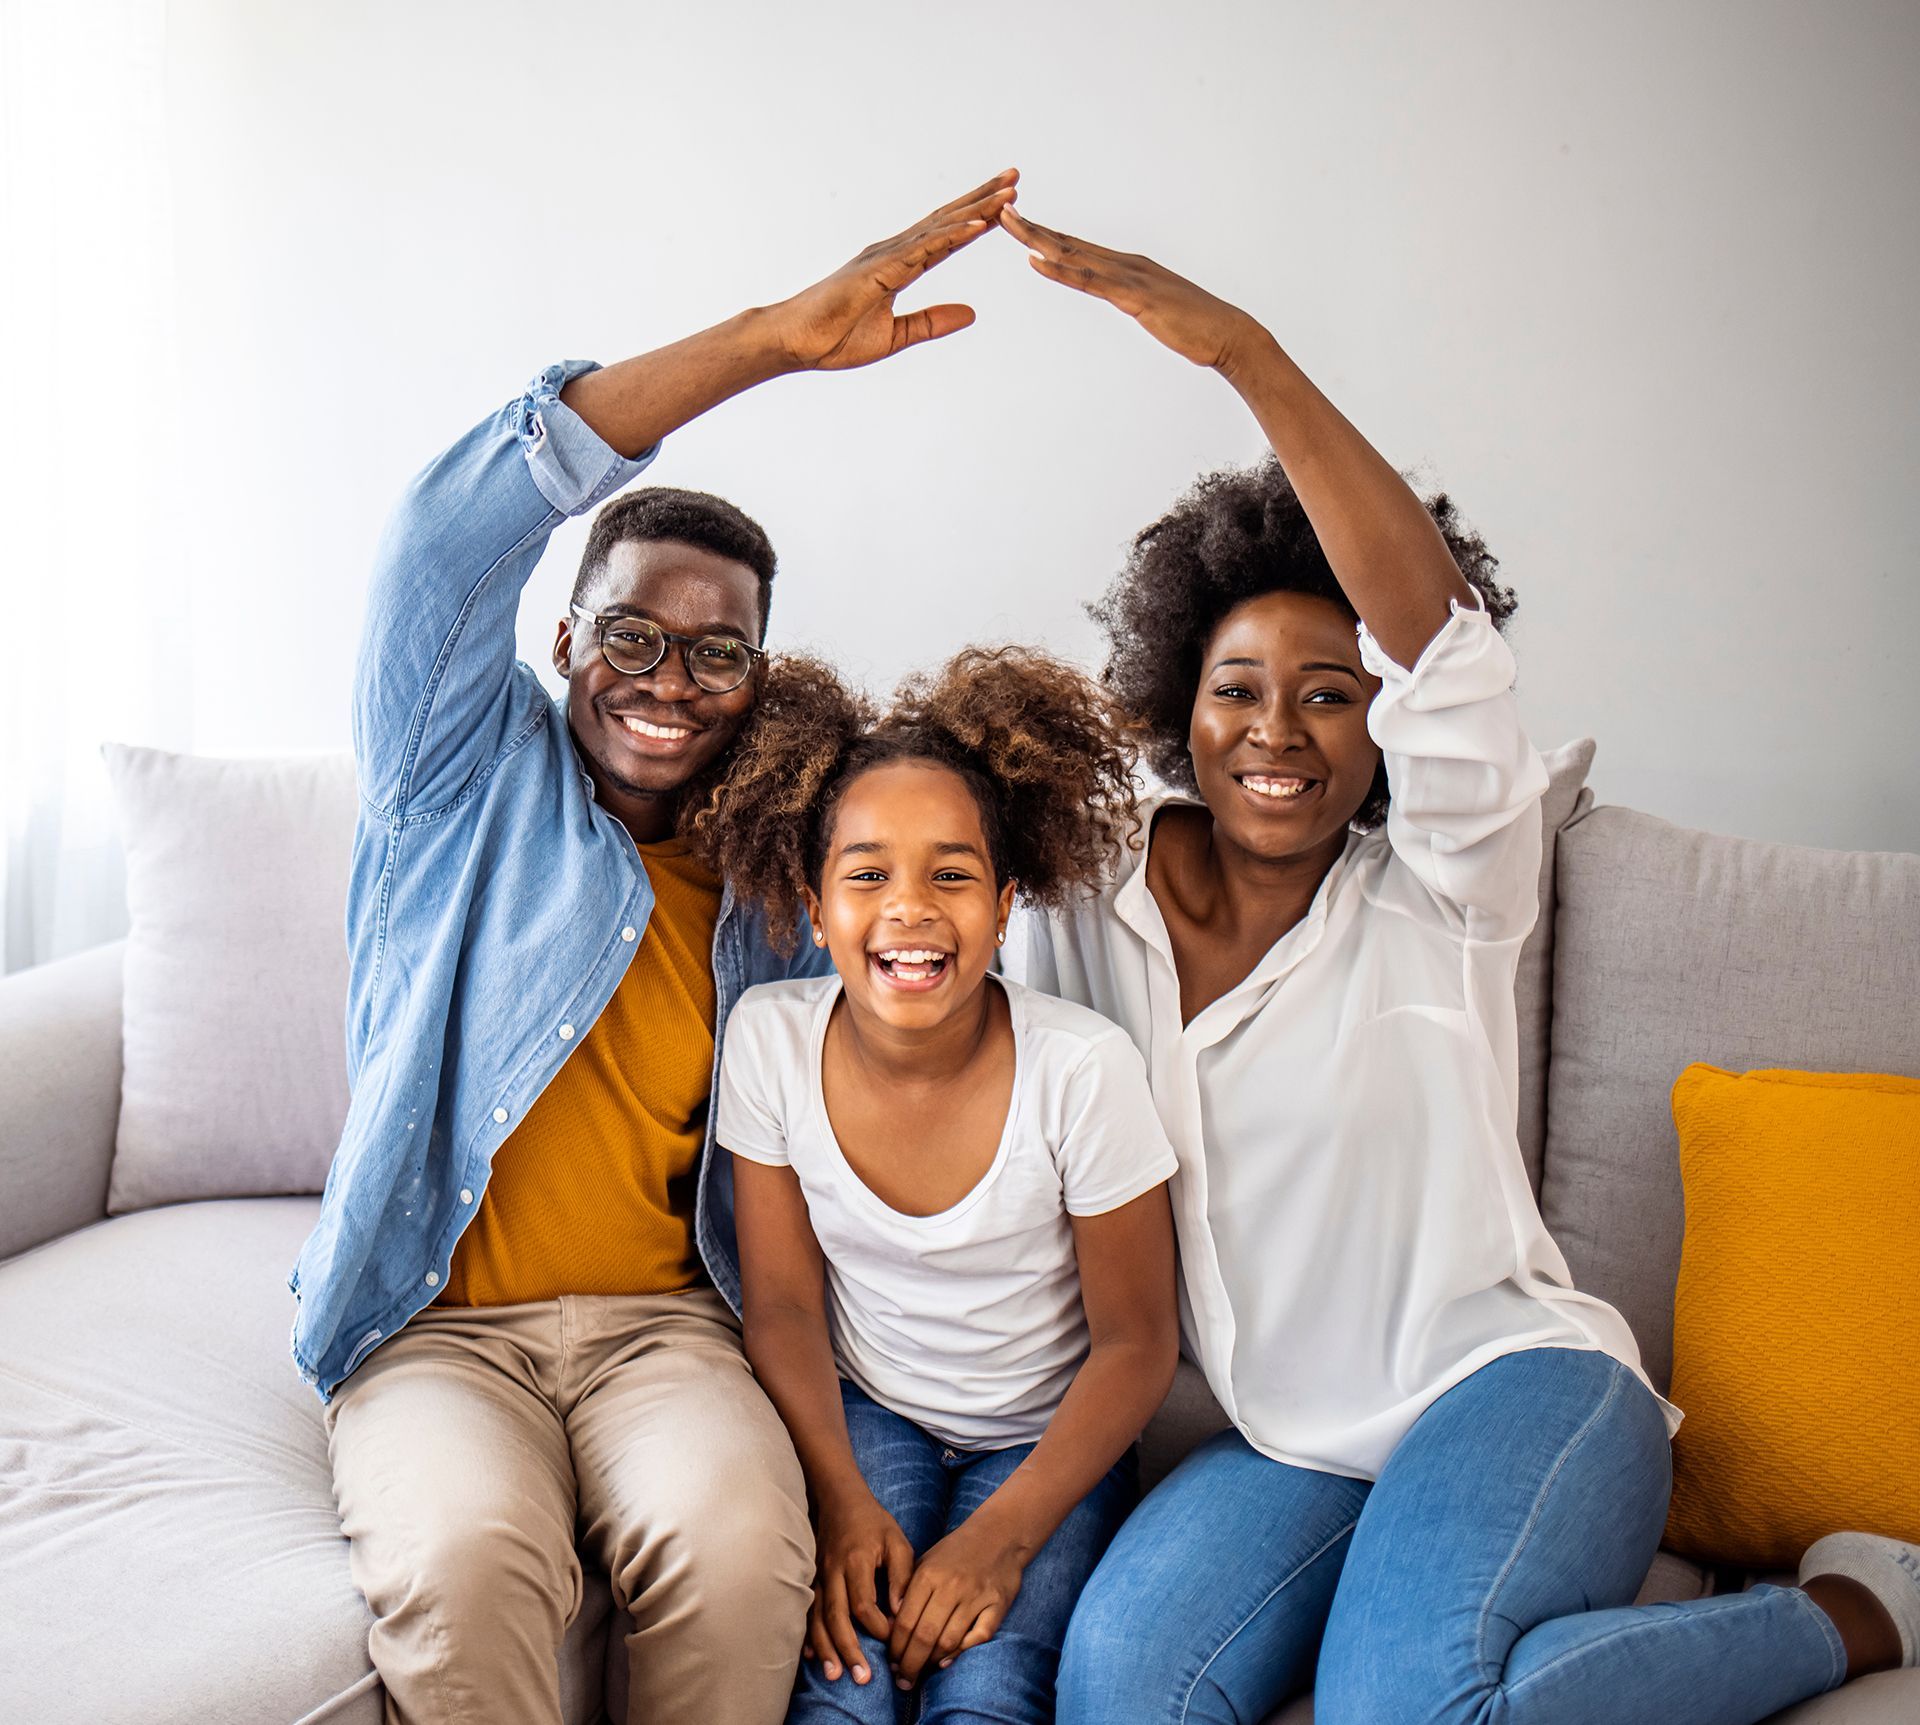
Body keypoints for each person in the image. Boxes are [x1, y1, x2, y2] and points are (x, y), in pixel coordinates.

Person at [994, 203, 1920, 1723]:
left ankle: (1850, 1606)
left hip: (1518, 1393)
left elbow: (1444, 654)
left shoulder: (1446, 885)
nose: (1279, 732)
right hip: (1289, 1444)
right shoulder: (1090, 899)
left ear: (1381, 728)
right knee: (1121, 1691)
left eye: (1330, 694)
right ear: (1181, 701)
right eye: (1240, 689)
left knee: (1411, 1712)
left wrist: (1247, 357)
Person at [289, 170, 1020, 1725]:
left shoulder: (780, 878)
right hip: (436, 1329)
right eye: (629, 633)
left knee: (741, 1544)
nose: (667, 679)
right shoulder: (455, 774)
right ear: (566, 640)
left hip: (664, 1333)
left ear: (762, 677)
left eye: (717, 650)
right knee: (475, 1560)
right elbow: (442, 540)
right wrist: (769, 341)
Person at [696, 648, 1180, 1721]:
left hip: (1050, 1438)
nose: (909, 909)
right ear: (813, 910)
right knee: (849, 1685)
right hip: (872, 1416)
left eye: (951, 875)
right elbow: (779, 1303)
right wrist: (838, 1499)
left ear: (1007, 906)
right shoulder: (769, 1043)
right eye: (867, 875)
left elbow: (1139, 1344)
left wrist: (1001, 1542)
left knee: (990, 1687)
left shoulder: (1082, 1070)